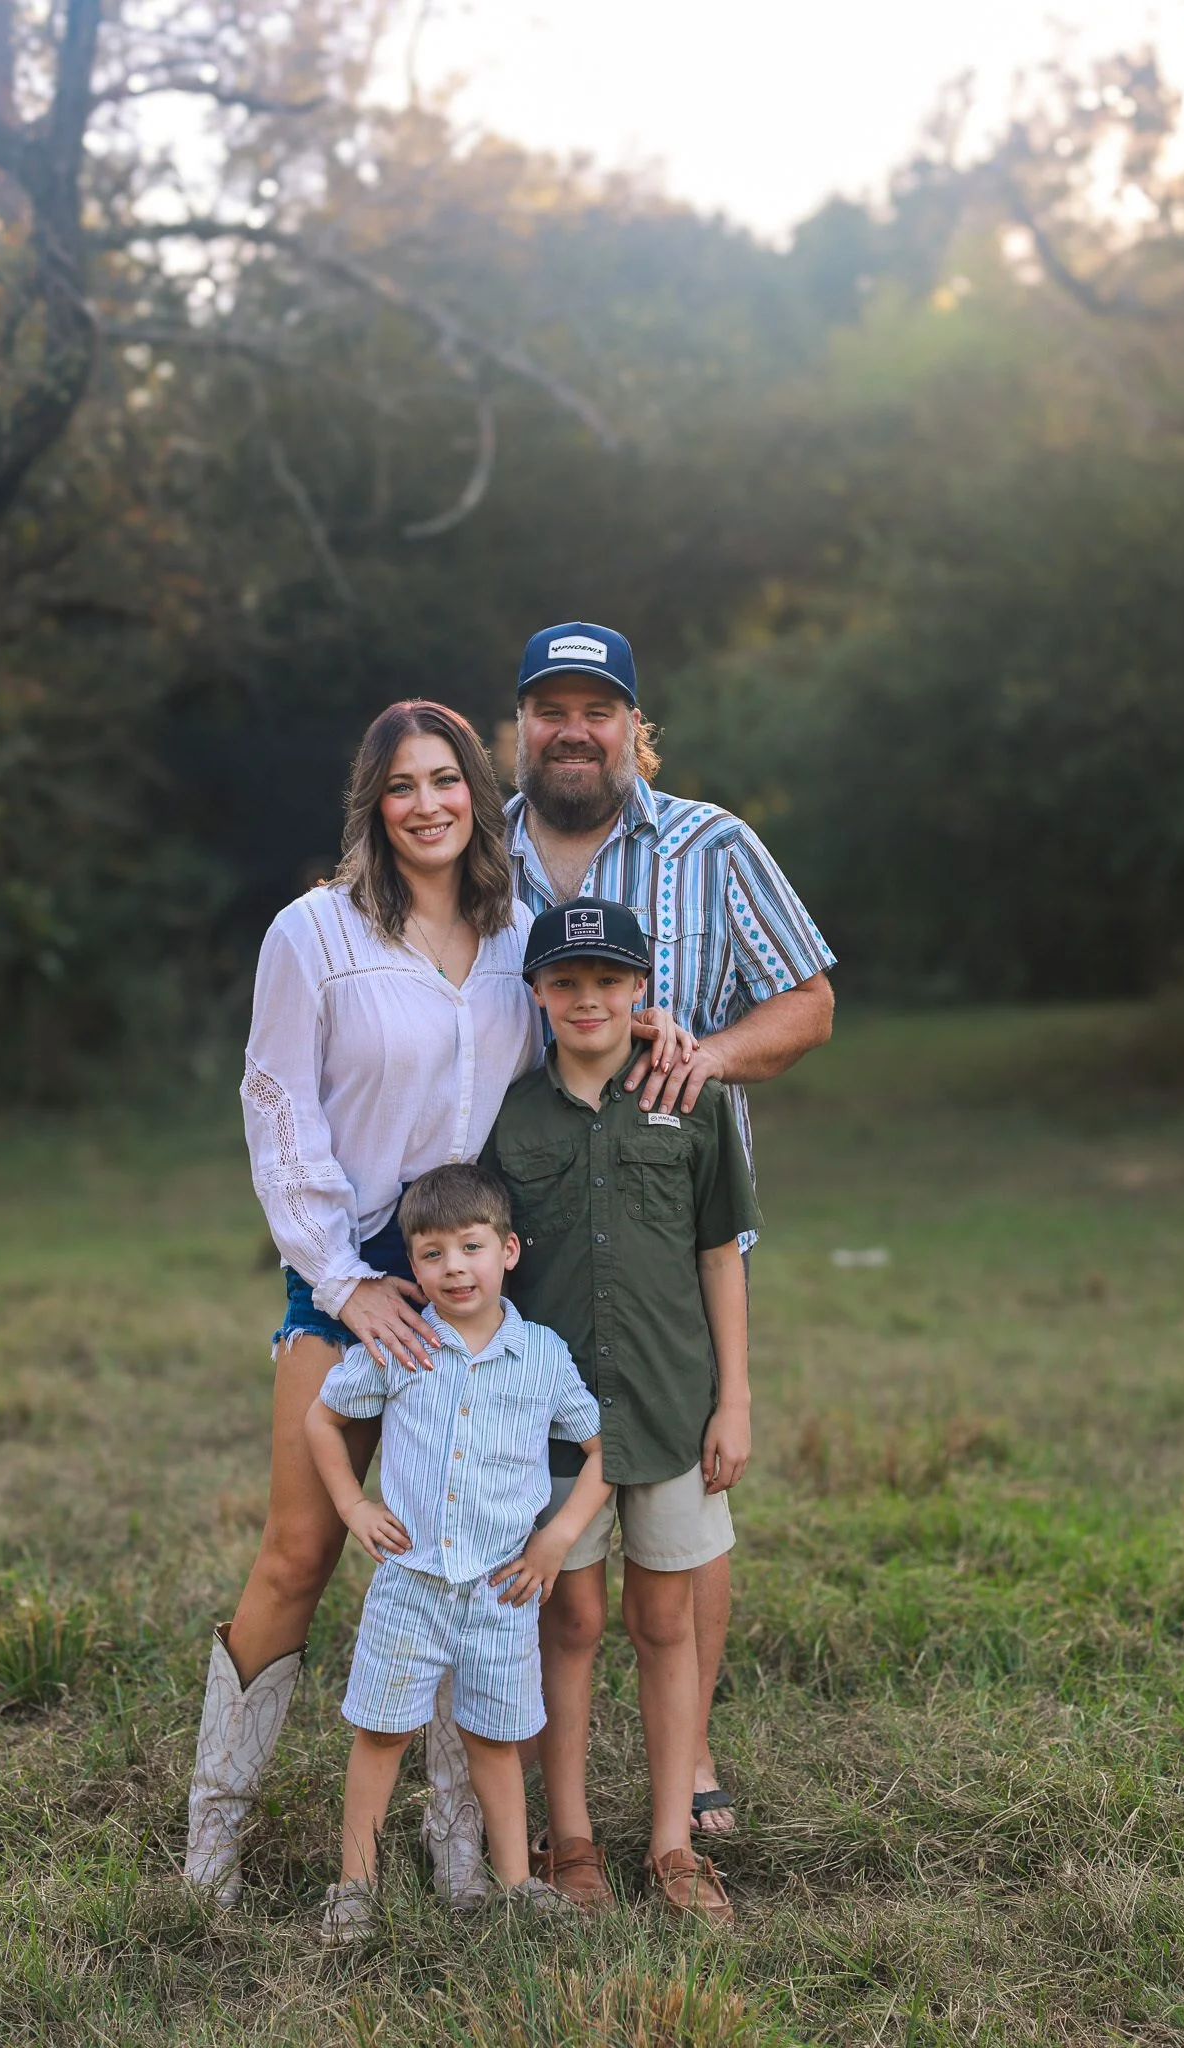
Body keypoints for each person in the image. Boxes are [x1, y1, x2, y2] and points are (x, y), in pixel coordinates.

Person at [182, 698, 687, 1907]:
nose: (427, 803)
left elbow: (577, 1019)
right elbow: (276, 1105)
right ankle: (211, 1844)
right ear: (374, 802)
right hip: (354, 1258)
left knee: (473, 1546)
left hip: (476, 1269)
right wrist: (345, 1282)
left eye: (447, 779)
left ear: (478, 792)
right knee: (301, 1547)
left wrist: (648, 1027)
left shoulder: (515, 934)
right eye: (401, 784)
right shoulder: (314, 933)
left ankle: (459, 1847)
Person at [423, 622, 835, 1885]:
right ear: (520, 726)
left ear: (631, 726)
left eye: (596, 709)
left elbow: (810, 1000)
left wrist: (706, 1054)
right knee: (560, 1580)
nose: (572, 729)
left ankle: (686, 1764)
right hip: (528, 1235)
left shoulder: (712, 845)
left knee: (677, 1523)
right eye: (548, 708)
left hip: (671, 1219)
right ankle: (544, 1808)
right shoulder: (471, 847)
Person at [480, 900, 761, 1924]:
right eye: (565, 981)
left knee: (664, 1619)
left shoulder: (690, 1100)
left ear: (641, 988)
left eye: (607, 979)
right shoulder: (512, 1117)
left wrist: (734, 1399)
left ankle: (673, 1845)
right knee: (570, 1618)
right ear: (538, 993)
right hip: (555, 1424)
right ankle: (572, 1839)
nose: (588, 998)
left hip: (674, 1404)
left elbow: (719, 1255)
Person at [304, 1163, 610, 1942]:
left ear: (507, 1250)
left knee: (496, 1742)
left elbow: (603, 1450)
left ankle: (514, 1884)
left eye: (471, 1247)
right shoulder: (401, 1345)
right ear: (413, 1265)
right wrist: (353, 1505)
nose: (454, 1268)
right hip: (410, 1583)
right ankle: (355, 1887)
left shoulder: (541, 1355)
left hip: (503, 1590)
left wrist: (555, 1538)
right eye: (432, 1254)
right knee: (381, 1733)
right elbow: (322, 1419)